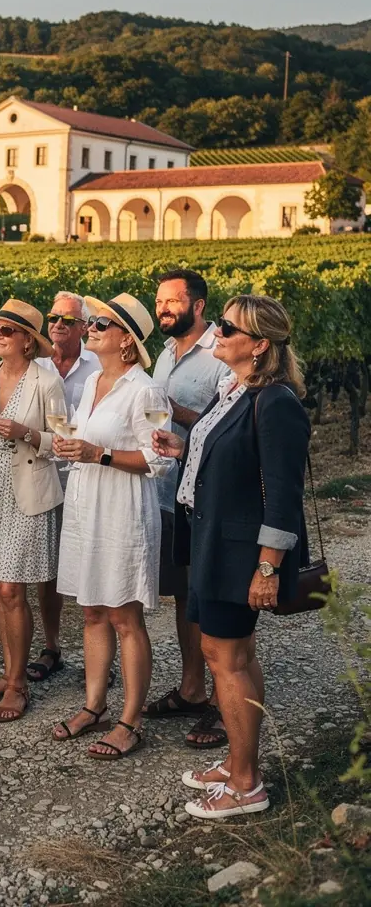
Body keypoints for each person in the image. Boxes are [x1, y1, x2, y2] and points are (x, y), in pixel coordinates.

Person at [153, 295, 309, 819]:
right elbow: (227, 459)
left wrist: (267, 567)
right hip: (214, 543)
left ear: (259, 344)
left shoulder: (276, 402)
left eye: (227, 326)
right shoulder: (234, 390)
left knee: (227, 658)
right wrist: (183, 451)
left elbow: (283, 497)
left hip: (241, 553)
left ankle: (246, 785)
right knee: (232, 655)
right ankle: (239, 763)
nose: (216, 331)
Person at [52, 293, 174, 759]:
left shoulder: (145, 390)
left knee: (125, 617)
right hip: (87, 505)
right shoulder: (92, 382)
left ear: (127, 340)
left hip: (122, 510)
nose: (91, 328)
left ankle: (131, 720)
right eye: (93, 323)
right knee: (91, 611)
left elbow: (159, 461)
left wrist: (97, 453)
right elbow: (84, 441)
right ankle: (95, 706)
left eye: (102, 324)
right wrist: (72, 447)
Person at [0, 299, 65, 723]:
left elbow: (63, 443)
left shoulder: (47, 382)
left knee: (10, 588)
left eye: (6, 330)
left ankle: (18, 685)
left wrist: (28, 433)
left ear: (27, 341)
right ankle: (9, 673)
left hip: (26, 489)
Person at [145, 270, 232, 749]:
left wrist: (176, 412)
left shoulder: (221, 351)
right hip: (168, 493)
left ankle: (223, 701)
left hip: (208, 498)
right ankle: (192, 688)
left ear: (197, 306)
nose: (163, 309)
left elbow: (230, 427)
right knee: (184, 594)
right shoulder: (164, 352)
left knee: (211, 595)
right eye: (159, 301)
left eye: (172, 301)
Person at [32, 290, 100, 682]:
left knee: (92, 564)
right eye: (54, 317)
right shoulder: (35, 363)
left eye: (68, 320)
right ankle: (52, 646)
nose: (58, 324)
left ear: (84, 327)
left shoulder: (97, 365)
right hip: (44, 474)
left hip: (87, 477)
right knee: (48, 568)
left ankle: (99, 658)